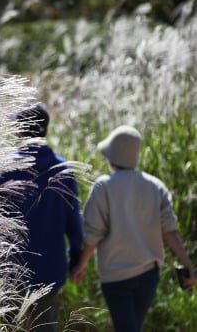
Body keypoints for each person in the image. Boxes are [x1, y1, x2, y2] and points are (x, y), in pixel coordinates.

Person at [71, 125, 196, 332]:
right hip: (149, 274)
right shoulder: (155, 185)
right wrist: (188, 265)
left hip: (115, 276)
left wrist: (80, 266)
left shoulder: (103, 187)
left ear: (111, 157)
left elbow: (94, 235)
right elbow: (170, 231)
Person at [0, 104, 83, 331]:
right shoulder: (63, 170)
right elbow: (74, 224)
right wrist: (76, 259)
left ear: (20, 130)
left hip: (8, 269)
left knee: (4, 327)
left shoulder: (1, 169)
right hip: (49, 269)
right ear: (46, 132)